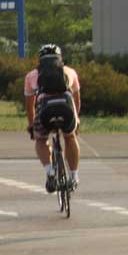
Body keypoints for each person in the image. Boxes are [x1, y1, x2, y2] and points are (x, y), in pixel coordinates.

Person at [24, 44, 81, 193]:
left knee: (41, 140)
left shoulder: (31, 76)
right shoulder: (70, 72)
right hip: (66, 109)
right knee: (70, 137)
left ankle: (50, 172)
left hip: (45, 110)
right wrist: (77, 121)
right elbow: (76, 100)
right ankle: (74, 177)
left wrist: (32, 126)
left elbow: (30, 106)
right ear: (60, 58)